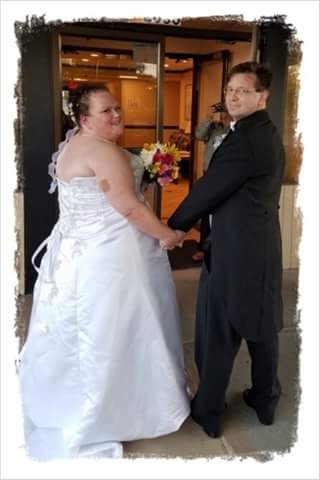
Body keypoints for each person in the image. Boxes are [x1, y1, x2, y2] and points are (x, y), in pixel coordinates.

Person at [17, 85, 190, 460]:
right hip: (109, 256)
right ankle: (114, 410)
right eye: (106, 111)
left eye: (117, 109)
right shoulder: (103, 151)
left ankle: (62, 396)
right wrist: (168, 235)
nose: (116, 116)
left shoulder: (71, 146)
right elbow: (128, 208)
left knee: (80, 329)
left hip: (72, 253)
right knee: (117, 329)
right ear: (84, 119)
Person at [165, 62, 285, 438]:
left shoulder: (247, 139)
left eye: (243, 90)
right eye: (230, 89)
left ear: (262, 96)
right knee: (262, 326)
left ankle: (210, 411)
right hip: (261, 245)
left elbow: (208, 189)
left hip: (235, 252)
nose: (233, 96)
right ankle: (265, 400)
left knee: (218, 331)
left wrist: (174, 227)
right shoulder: (264, 132)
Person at [192, 102, 231, 262]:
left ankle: (220, 249)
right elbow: (199, 135)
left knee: (222, 214)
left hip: (227, 178)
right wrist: (208, 116)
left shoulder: (238, 131)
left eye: (227, 111)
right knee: (206, 213)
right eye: (222, 111)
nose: (224, 115)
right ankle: (203, 248)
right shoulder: (214, 128)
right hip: (209, 175)